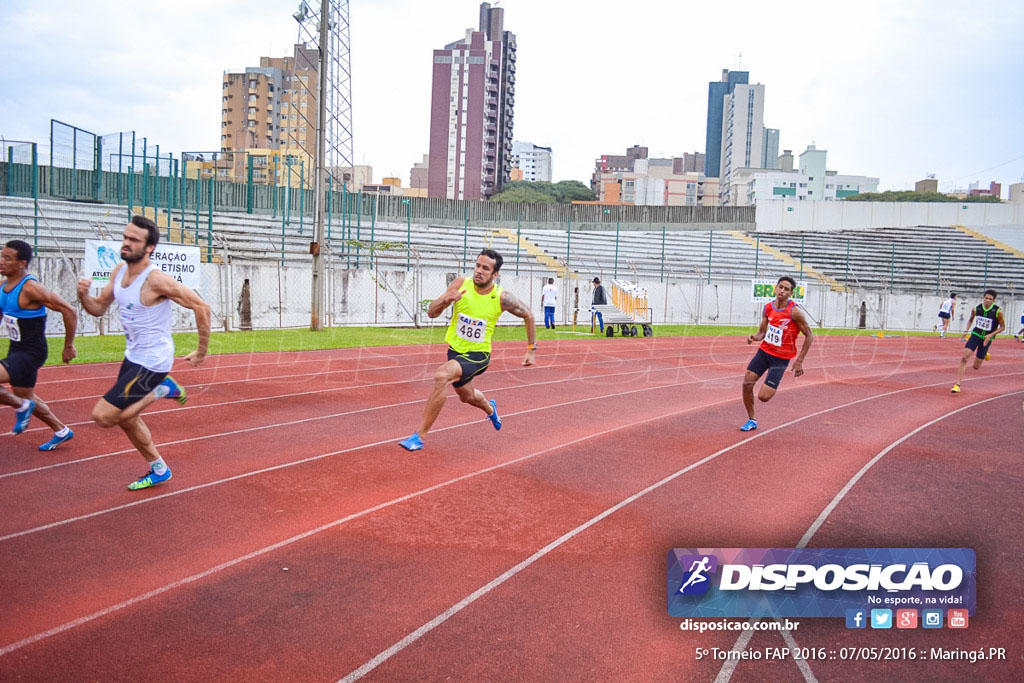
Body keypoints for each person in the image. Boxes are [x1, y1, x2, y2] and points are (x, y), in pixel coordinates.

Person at [76, 216, 211, 489]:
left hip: (154, 362)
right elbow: (99, 308)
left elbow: (201, 307)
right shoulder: (118, 272)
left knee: (105, 416)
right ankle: (158, 468)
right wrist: (83, 297)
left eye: (134, 240)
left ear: (149, 248)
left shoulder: (156, 280)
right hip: (133, 356)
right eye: (125, 237)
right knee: (127, 418)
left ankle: (163, 389)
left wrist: (200, 351)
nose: (126, 243)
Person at [399, 249, 535, 451]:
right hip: (455, 351)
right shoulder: (461, 284)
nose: (479, 271)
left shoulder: (502, 298)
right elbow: (431, 312)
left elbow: (529, 315)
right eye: (477, 265)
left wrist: (531, 349)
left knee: (442, 375)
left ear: (495, 275)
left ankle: (419, 436)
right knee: (467, 397)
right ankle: (490, 408)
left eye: (485, 268)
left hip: (478, 356)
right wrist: (445, 301)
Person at [1, 240, 78, 449]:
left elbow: (69, 310)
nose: (1, 262)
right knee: (25, 394)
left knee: (22, 400)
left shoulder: (31, 288)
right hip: (16, 349)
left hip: (32, 352)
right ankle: (61, 430)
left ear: (21, 263)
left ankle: (21, 406)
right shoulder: (3, 287)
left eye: (7, 258)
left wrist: (68, 345)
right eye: (1, 256)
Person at [740, 276, 814, 431]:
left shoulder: (795, 312)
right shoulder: (768, 308)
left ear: (791, 294)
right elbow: (762, 332)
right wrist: (754, 337)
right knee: (747, 384)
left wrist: (799, 360)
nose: (782, 291)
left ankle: (773, 382)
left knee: (763, 397)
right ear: (775, 288)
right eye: (780, 287)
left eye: (786, 289)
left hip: (781, 358)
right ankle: (752, 419)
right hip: (765, 351)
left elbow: (809, 335)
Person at [951, 289, 1004, 394]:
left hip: (986, 339)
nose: (987, 301)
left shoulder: (998, 311)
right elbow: (970, 319)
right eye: (986, 298)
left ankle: (984, 354)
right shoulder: (976, 309)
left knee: (976, 367)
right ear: (983, 298)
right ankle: (957, 385)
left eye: (990, 299)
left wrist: (991, 335)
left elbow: (1002, 327)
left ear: (994, 301)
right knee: (964, 356)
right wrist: (966, 330)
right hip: (975, 335)